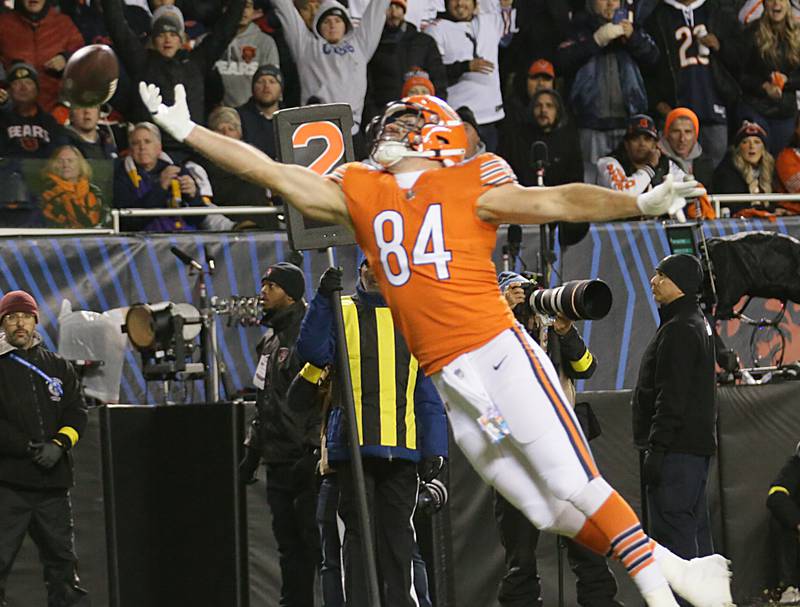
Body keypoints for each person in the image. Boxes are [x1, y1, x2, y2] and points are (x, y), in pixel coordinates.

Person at [139, 80, 735, 607]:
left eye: (407, 124)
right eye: (392, 123)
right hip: (463, 391)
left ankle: (665, 593)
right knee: (540, 507)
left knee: (574, 483)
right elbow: (272, 172)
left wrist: (636, 203)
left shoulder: (470, 180)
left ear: (439, 138)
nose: (390, 132)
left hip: (501, 359)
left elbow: (553, 200)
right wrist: (187, 130)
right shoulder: (366, 192)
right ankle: (681, 571)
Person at [295, 258, 448, 607]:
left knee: (400, 548)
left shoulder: (413, 318)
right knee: (357, 548)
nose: (378, 273)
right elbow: (313, 352)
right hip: (353, 451)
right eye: (372, 265)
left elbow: (426, 390)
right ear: (361, 269)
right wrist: (321, 299)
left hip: (403, 449)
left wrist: (435, 447)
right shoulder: (341, 307)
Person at [495, 271, 622, 607]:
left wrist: (565, 331)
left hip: (561, 450)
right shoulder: (494, 330)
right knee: (520, 553)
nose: (529, 305)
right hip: (515, 455)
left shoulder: (552, 331)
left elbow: (587, 367)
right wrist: (502, 312)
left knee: (587, 540)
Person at [633, 254, 717, 607]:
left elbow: (672, 398)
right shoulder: (693, 321)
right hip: (690, 452)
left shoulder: (681, 328)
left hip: (676, 454)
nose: (653, 281)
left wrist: (657, 449)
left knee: (675, 544)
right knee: (695, 538)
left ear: (678, 282)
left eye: (661, 275)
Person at [0, 290, 90, 607]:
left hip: (53, 486)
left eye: (24, 315)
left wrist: (59, 444)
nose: (18, 323)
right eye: (11, 317)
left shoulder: (58, 367)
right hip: (8, 487)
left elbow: (77, 413)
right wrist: (26, 447)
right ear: (3, 325)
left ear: (35, 320)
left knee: (64, 570)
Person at [239, 261, 320, 607]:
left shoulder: (310, 336)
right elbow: (265, 402)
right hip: (278, 462)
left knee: (321, 548)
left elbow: (324, 398)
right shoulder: (269, 343)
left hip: (307, 463)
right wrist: (252, 452)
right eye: (263, 285)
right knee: (290, 550)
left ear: (291, 293)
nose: (263, 292)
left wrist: (314, 450)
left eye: (271, 286)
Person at [101, 0, 245, 156]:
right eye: (161, 34)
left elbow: (225, 30)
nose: (167, 40)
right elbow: (117, 27)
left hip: (192, 151)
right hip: (152, 153)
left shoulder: (197, 62)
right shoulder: (141, 62)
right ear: (153, 39)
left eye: (172, 34)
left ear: (181, 38)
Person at [558, 0, 660, 184]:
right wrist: (595, 41)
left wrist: (633, 37)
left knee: (631, 181)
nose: (609, 3)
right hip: (590, 122)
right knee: (592, 183)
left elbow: (654, 58)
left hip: (629, 124)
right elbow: (562, 61)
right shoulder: (578, 26)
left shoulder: (631, 26)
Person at [271, 0, 390, 146]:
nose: (332, 25)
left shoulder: (360, 45)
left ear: (346, 24)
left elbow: (377, 10)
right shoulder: (305, 46)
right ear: (318, 25)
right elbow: (284, 9)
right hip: (314, 130)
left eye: (338, 20)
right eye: (327, 21)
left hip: (350, 130)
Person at [643, 0, 739, 170]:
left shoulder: (718, 12)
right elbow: (648, 67)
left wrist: (720, 46)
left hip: (714, 110)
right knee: (674, 173)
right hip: (675, 112)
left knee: (712, 174)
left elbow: (742, 60)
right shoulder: (656, 17)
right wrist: (658, 103)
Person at [425, 0, 515, 152]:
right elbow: (434, 73)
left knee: (486, 170)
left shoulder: (489, 22)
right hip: (456, 118)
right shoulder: (436, 29)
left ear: (475, 4)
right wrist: (465, 67)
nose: (460, 4)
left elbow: (506, 36)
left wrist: (506, 6)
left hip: (491, 117)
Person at [112, 121, 224, 232]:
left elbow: (198, 219)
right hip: (145, 243)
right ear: (130, 150)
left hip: (184, 239)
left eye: (147, 142)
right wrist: (161, 187)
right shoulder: (121, 175)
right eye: (136, 143)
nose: (142, 147)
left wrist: (193, 196)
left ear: (158, 148)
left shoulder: (177, 170)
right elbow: (128, 223)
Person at [364, 0, 446, 123]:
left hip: (421, 118)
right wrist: (374, 118)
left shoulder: (424, 42)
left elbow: (439, 80)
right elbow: (367, 87)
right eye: (388, 7)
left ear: (404, 10)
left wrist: (434, 114)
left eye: (397, 7)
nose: (393, 13)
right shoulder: (371, 44)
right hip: (386, 119)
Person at [0, 0, 85, 113]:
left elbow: (84, 59)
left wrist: (66, 58)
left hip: (57, 113)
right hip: (12, 114)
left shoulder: (64, 24)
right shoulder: (4, 24)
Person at [739, 0, 800, 156]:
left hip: (785, 112)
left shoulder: (798, 33)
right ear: (764, 4)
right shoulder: (751, 32)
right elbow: (740, 74)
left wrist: (786, 82)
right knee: (756, 160)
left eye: (781, 0)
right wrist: (764, 86)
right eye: (772, 0)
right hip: (755, 107)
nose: (776, 4)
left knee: (778, 164)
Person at [499, 87, 583, 187]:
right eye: (538, 106)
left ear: (557, 112)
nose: (543, 110)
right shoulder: (516, 138)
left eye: (549, 106)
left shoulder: (568, 140)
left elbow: (576, 179)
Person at [597, 114, 687, 197]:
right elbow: (625, 193)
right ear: (626, 144)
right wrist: (650, 168)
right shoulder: (608, 163)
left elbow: (688, 187)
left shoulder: (666, 164)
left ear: (655, 144)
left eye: (647, 139)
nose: (642, 144)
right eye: (635, 139)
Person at [215, 0, 280, 108]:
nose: (243, 11)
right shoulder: (208, 42)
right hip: (218, 115)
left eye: (248, 7)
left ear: (254, 11)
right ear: (225, 9)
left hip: (253, 113)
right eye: (238, 6)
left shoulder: (265, 42)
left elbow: (272, 83)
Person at [0, 62, 66, 159]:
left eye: (28, 83)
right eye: (17, 83)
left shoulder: (50, 122)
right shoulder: (2, 119)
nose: (23, 88)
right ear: (9, 91)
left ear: (37, 90)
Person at [712, 120, 778, 217]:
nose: (752, 146)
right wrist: (766, 211)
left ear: (763, 148)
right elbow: (736, 206)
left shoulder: (771, 170)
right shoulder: (727, 171)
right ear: (738, 148)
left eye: (757, 142)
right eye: (745, 142)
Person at [41, 145, 109, 228]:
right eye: (60, 161)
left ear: (80, 165)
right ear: (53, 165)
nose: (65, 165)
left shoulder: (94, 191)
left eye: (70, 161)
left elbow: (105, 218)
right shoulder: (47, 192)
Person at [766, 441, 800, 604]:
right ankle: (789, 587)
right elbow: (775, 496)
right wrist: (798, 522)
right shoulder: (795, 467)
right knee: (780, 521)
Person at [658, 108, 715, 191]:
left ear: (695, 135)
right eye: (676, 131)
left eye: (687, 132)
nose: (682, 139)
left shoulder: (706, 163)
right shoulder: (657, 160)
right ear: (667, 134)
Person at [237, 63, 282, 158]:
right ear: (253, 88)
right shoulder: (238, 116)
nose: (266, 86)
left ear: (281, 88)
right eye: (261, 81)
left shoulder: (290, 116)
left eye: (272, 81)